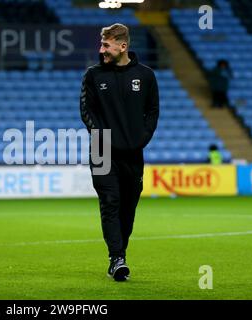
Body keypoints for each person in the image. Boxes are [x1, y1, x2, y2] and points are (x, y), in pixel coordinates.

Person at [80, 24, 159, 281]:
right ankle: (117, 258)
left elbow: (152, 112)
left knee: (128, 207)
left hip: (134, 152)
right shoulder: (93, 75)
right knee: (110, 202)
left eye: (105, 45)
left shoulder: (146, 76)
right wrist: (101, 137)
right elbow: (86, 111)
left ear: (122, 46)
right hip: (101, 150)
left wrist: (142, 138)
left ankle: (119, 253)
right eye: (101, 44)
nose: (100, 49)